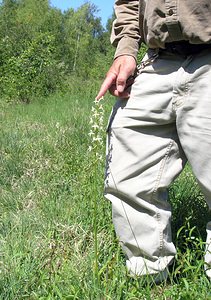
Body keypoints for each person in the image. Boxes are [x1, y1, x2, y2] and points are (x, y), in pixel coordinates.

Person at [96, 0, 211, 282]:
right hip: (158, 58)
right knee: (128, 175)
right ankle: (148, 279)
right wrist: (125, 51)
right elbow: (129, 3)